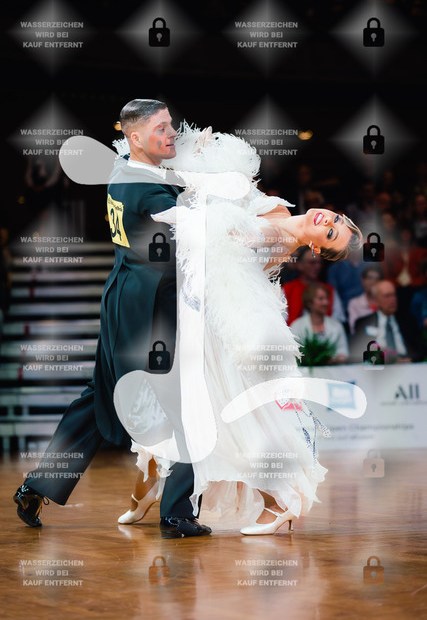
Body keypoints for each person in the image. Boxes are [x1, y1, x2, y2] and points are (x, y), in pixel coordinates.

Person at [116, 124, 363, 535]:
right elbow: (239, 192)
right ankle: (149, 490)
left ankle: (278, 501)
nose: (328, 220)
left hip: (217, 332)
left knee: (228, 423)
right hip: (201, 318)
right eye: (336, 219)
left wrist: (201, 186)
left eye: (331, 232)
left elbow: (220, 237)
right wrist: (210, 158)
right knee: (177, 416)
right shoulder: (279, 211)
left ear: (318, 248)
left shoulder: (279, 242)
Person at [12, 99, 211, 539]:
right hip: (150, 313)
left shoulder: (123, 169)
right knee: (188, 406)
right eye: (161, 128)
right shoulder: (148, 191)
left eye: (171, 125)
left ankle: (37, 485)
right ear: (135, 137)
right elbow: (198, 228)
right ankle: (177, 514)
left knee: (97, 400)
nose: (172, 133)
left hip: (122, 300)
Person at [351, 280, 425, 364]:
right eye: (387, 296)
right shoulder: (363, 323)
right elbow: (358, 352)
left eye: (394, 295)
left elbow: (420, 349)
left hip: (406, 364)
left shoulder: (408, 320)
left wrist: (411, 359)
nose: (393, 299)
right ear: (376, 300)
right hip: (378, 366)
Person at [282, 245, 346, 325]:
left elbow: (337, 322)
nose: (317, 266)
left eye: (319, 263)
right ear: (300, 265)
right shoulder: (287, 290)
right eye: (312, 263)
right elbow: (281, 322)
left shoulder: (330, 290)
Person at [290, 284, 349, 365]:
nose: (326, 302)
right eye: (321, 299)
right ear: (309, 303)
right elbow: (292, 353)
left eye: (327, 298)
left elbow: (343, 352)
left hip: (333, 370)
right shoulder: (297, 325)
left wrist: (335, 359)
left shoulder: (337, 326)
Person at [347, 264, 383, 334]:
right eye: (370, 278)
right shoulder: (354, 303)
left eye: (377, 279)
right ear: (362, 280)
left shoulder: (386, 301)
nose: (373, 282)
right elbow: (354, 330)